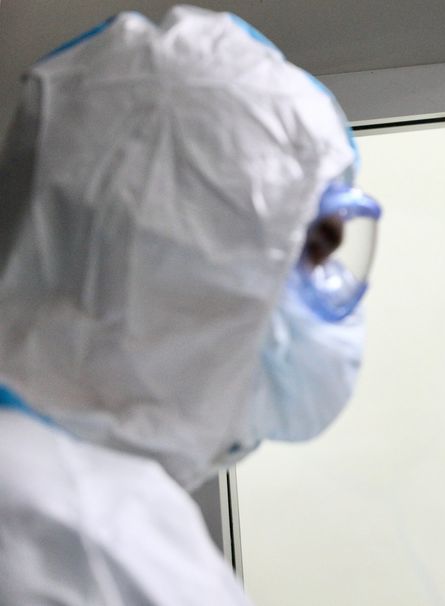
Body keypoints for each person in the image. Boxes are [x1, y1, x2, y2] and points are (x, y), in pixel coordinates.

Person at [0, 6, 379, 604]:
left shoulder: (83, 494)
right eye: (311, 250)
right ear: (186, 256)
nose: (329, 290)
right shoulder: (75, 541)